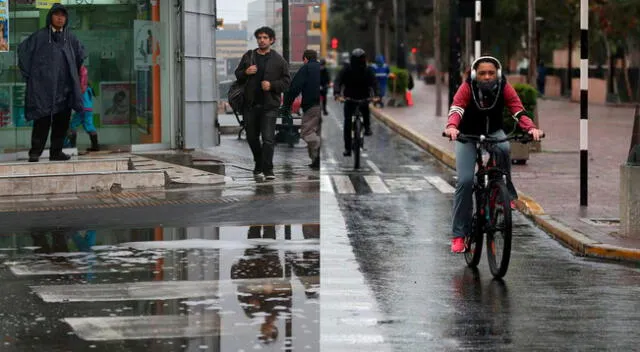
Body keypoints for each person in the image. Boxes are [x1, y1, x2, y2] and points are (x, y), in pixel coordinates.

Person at [444, 56, 543, 253]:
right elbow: (456, 108)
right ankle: (459, 234)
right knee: (465, 181)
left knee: (504, 148)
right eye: (482, 73)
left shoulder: (504, 87)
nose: (487, 77)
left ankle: (503, 192)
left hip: (493, 132)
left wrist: (531, 128)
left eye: (491, 73)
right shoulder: (467, 88)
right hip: (467, 135)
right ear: (474, 75)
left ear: (497, 74)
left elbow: (517, 109)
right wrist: (452, 127)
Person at [18, 3, 86, 162]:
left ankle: (56, 152)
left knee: (61, 123)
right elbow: (23, 54)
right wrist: (32, 77)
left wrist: (76, 80)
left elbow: (80, 58)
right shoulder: (39, 37)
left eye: (63, 15)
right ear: (50, 17)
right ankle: (35, 152)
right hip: (43, 89)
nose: (60, 18)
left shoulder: (71, 38)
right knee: (42, 121)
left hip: (65, 89)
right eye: (57, 15)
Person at [234, 26, 290, 180]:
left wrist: (272, 85)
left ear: (271, 40)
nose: (262, 40)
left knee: (268, 139)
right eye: (259, 37)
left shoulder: (279, 60)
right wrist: (245, 72)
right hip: (250, 105)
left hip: (269, 106)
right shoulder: (249, 56)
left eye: (265, 37)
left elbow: (286, 82)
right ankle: (259, 162)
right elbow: (237, 74)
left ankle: (268, 169)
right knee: (251, 137)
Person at [334, 48, 380, 156]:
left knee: (366, 112)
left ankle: (367, 128)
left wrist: (377, 95)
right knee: (347, 124)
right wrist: (337, 94)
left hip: (363, 98)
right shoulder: (346, 69)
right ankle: (348, 148)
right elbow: (338, 81)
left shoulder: (368, 70)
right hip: (349, 99)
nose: (359, 62)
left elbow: (374, 83)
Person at [282, 49, 322, 170]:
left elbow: (294, 88)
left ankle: (320, 147)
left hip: (312, 106)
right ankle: (316, 161)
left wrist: (287, 105)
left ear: (305, 59)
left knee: (307, 132)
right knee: (318, 132)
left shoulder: (306, 68)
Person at [67, 65, 99, 152]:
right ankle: (95, 146)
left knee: (72, 126)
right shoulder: (89, 88)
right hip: (88, 110)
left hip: (82, 109)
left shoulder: (81, 88)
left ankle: (72, 146)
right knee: (90, 127)